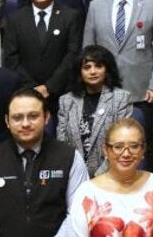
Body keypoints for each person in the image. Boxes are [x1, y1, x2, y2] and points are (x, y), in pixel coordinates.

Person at [0, 88, 88, 237]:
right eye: (17, 117)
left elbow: (78, 215)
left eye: (33, 116)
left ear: (46, 117)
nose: (25, 124)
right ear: (7, 121)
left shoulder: (70, 158)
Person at [82, 0, 153, 131]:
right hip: (102, 87)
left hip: (141, 91)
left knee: (139, 143)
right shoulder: (95, 6)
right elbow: (88, 50)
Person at [63, 119, 153, 236]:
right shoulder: (86, 192)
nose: (126, 154)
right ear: (106, 150)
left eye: (134, 146)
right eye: (118, 146)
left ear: (143, 150)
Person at [57, 45, 134, 176]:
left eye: (98, 66)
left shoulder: (121, 98)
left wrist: (98, 177)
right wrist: (77, 175)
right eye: (87, 67)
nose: (93, 71)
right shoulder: (66, 100)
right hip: (74, 174)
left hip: (110, 174)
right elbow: (62, 143)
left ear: (107, 70)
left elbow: (121, 144)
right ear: (79, 72)